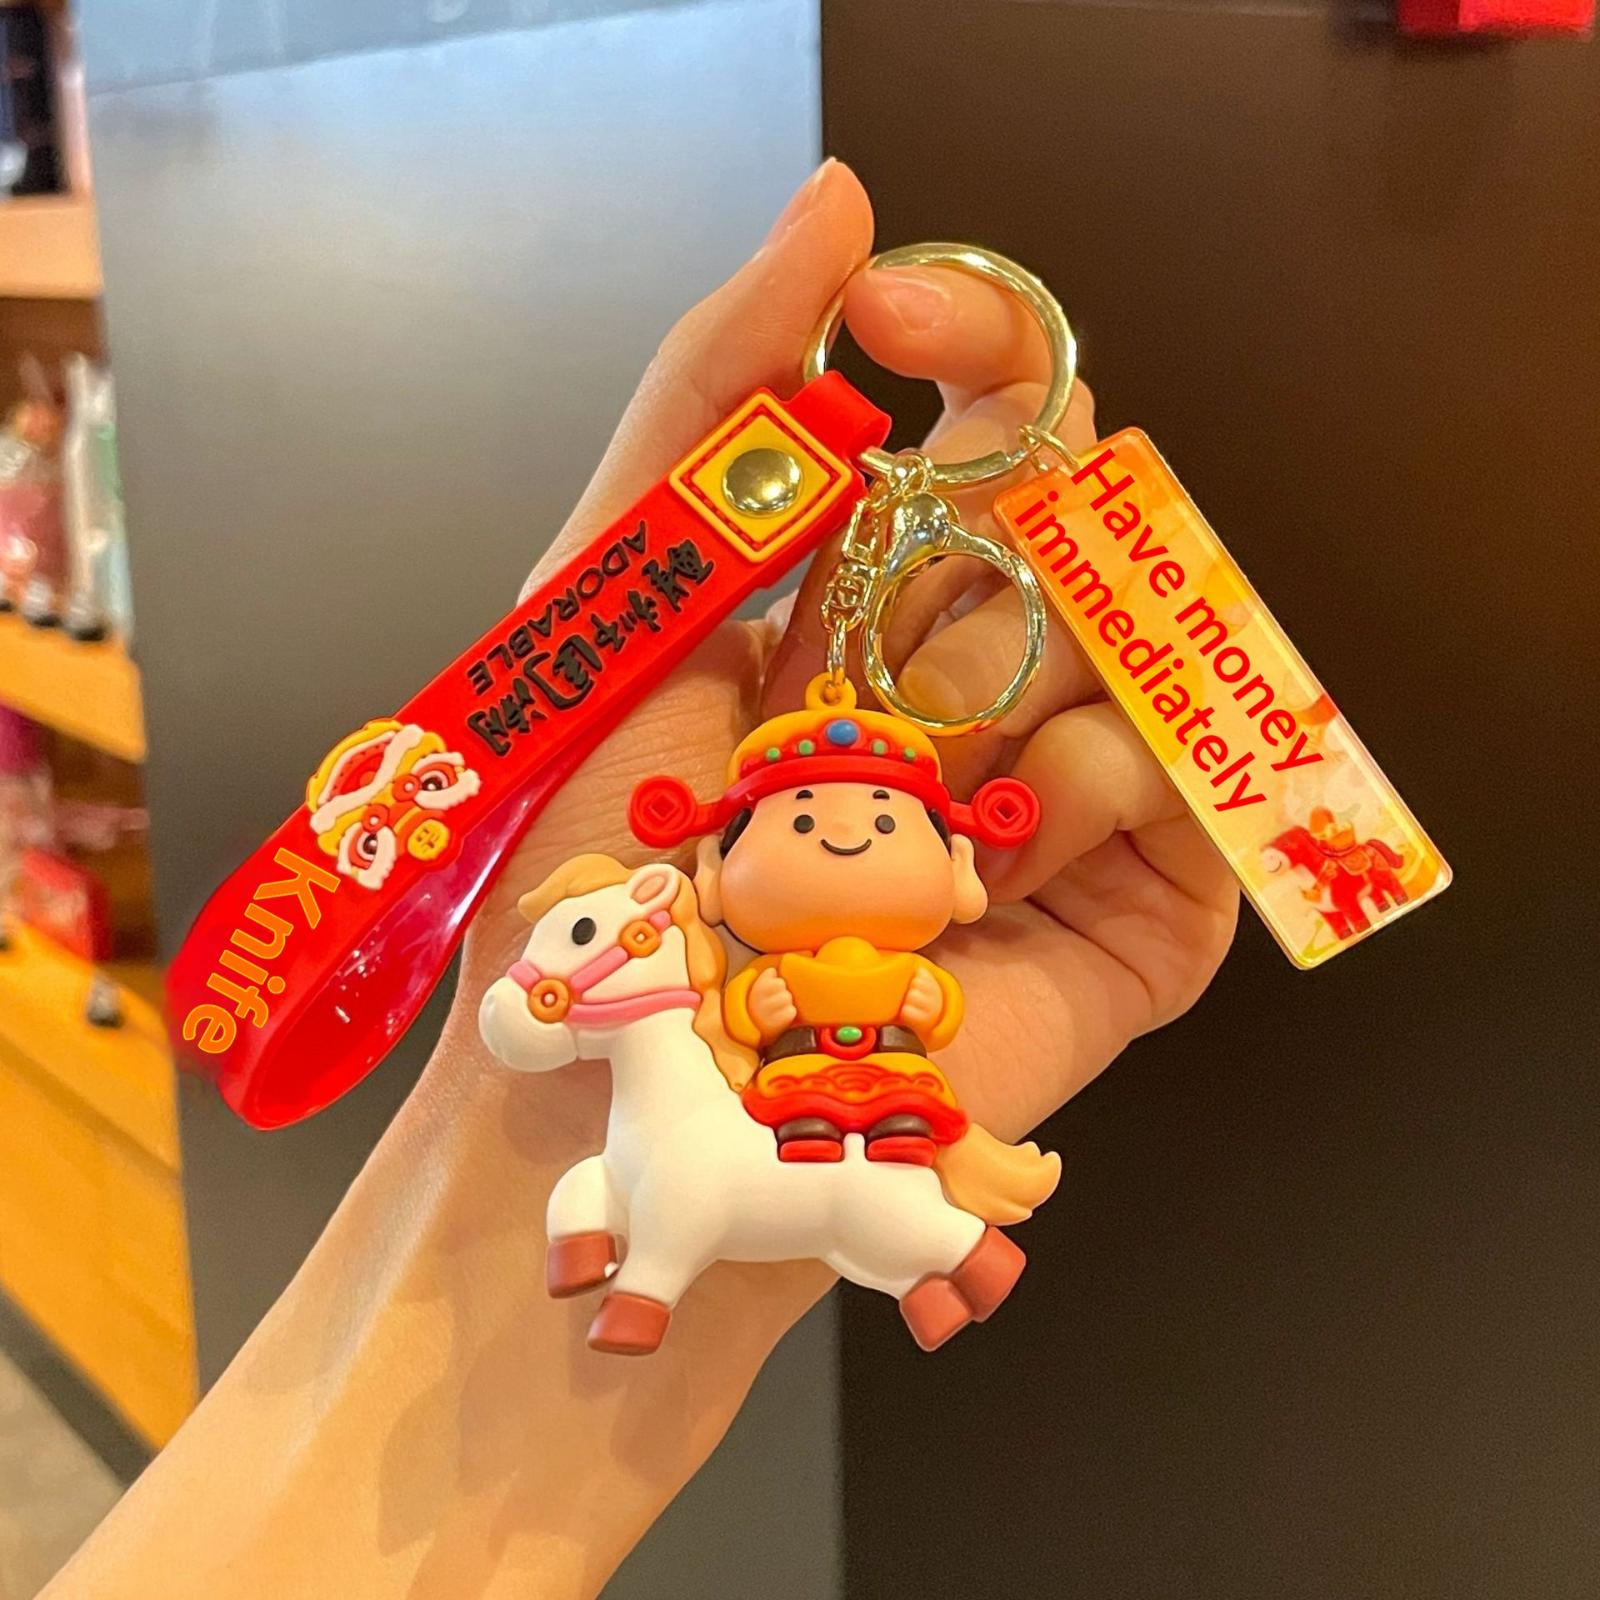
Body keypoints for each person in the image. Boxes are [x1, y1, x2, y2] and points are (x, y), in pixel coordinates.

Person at [43, 160, 1237, 1600]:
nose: (843, 840)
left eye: (881, 821)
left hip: (856, 1079)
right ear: (713, 875)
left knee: (892, 1179)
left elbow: (880, 990)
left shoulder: (856, 961)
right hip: (782, 1087)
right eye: (805, 821)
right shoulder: (720, 963)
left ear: (959, 874)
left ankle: (951, 1258)